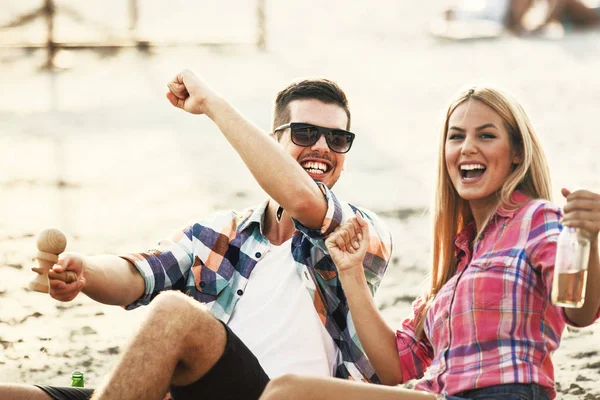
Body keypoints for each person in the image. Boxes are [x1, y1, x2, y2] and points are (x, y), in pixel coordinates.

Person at [0, 70, 392, 400]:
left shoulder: (357, 233)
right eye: (305, 133)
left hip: (279, 394)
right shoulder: (222, 233)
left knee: (175, 313)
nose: (322, 147)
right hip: (205, 388)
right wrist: (82, 271)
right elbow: (139, 275)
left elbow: (303, 199)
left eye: (337, 139)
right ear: (274, 142)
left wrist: (211, 105)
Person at [258, 86, 600, 400]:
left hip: (505, 392)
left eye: (486, 135)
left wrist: (588, 240)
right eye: (456, 137)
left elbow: (578, 311)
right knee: (286, 389)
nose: (467, 147)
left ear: (516, 153)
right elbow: (393, 367)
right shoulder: (454, 264)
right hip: (440, 395)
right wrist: (351, 273)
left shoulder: (537, 218)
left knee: (289, 392)